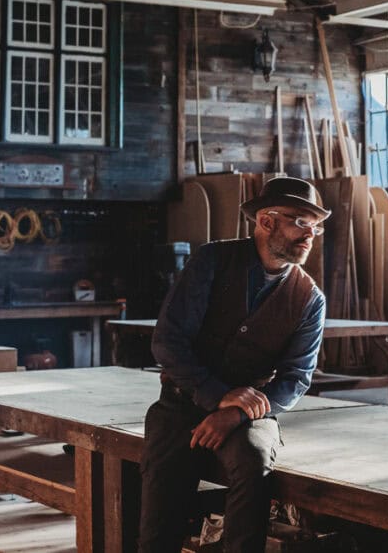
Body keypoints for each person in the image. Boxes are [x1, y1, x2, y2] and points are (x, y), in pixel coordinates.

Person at [139, 176, 329, 553]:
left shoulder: (309, 299)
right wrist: (218, 397)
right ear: (266, 221)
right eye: (300, 222)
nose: (310, 235)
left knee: (253, 459)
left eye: (316, 225)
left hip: (252, 415)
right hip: (181, 403)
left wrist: (237, 415)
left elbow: (295, 379)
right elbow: (167, 341)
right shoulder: (212, 260)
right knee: (158, 527)